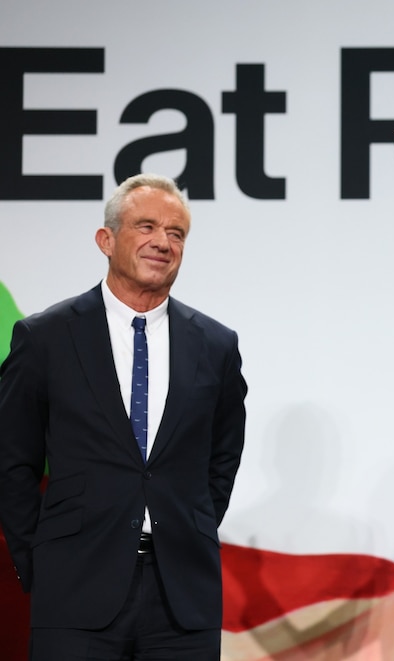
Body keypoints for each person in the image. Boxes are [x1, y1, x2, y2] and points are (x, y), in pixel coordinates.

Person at [0, 173, 248, 659]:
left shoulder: (216, 346)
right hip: (73, 591)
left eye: (176, 233)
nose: (163, 242)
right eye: (147, 226)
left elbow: (222, 458)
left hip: (183, 598)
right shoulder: (45, 337)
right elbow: (12, 462)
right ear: (106, 240)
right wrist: (41, 560)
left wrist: (188, 528)